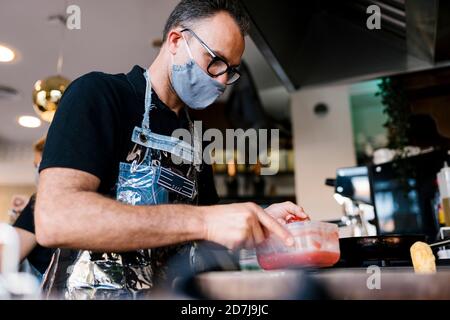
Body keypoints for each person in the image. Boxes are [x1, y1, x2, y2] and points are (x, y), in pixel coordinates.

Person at [35, 0, 308, 299]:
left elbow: (206, 228)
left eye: (230, 70)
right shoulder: (100, 94)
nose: (221, 80)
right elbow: (56, 219)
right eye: (215, 61)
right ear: (177, 40)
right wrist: (204, 221)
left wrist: (259, 220)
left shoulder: (195, 137)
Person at [6, 137, 54, 279]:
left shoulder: (41, 202)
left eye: (37, 165)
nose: (36, 170)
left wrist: (32, 208)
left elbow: (5, 259)